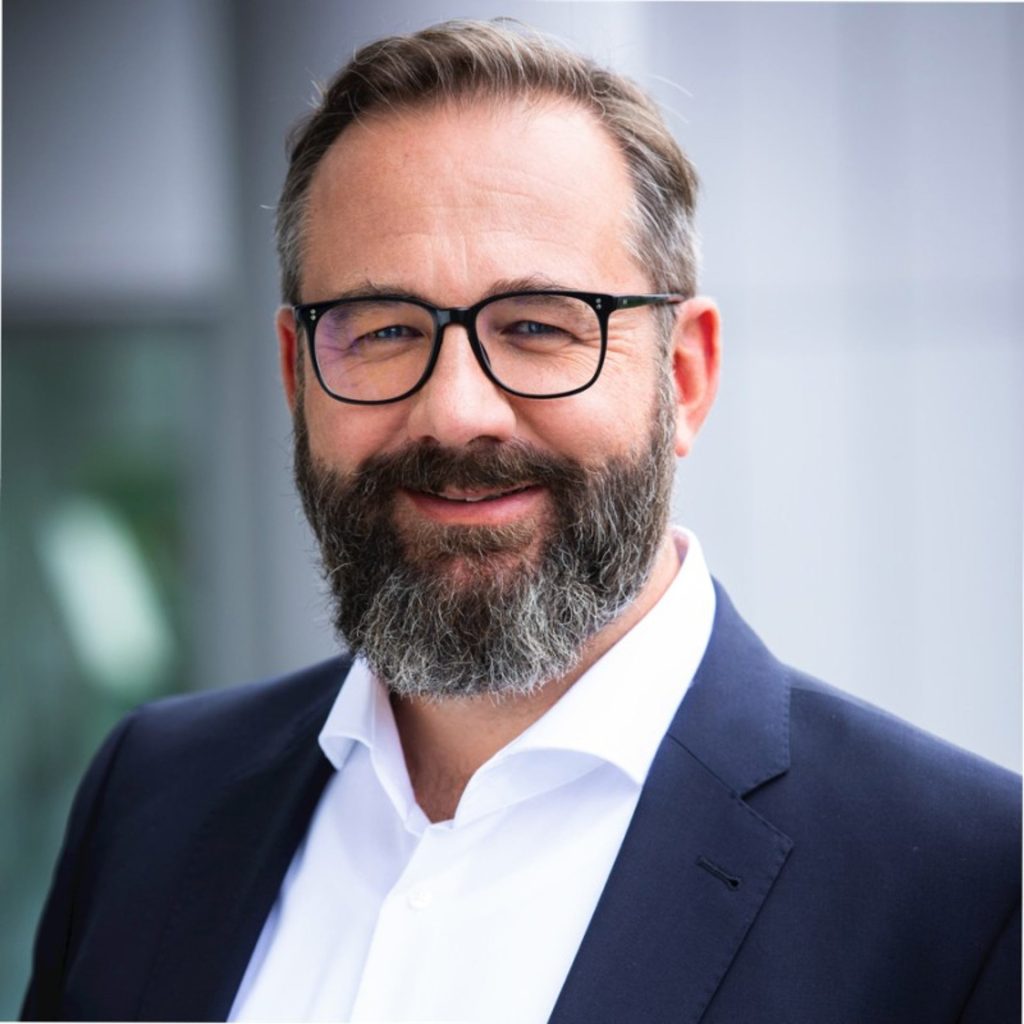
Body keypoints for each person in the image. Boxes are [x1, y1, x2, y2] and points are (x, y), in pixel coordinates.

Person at [22, 19, 1019, 1024]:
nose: (456, 412)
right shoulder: (152, 798)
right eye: (385, 330)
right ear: (296, 375)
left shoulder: (966, 888)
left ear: (684, 375)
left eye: (537, 326)